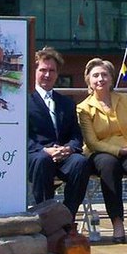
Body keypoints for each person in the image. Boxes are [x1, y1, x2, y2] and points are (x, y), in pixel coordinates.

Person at [77, 58, 127, 245]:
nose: (100, 79)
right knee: (108, 165)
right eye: (95, 75)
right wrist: (120, 151)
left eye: (104, 75)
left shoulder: (125, 99)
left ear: (111, 78)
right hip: (100, 152)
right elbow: (92, 142)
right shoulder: (83, 108)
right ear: (88, 80)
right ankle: (117, 222)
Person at [28, 47, 92, 220]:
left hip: (63, 156)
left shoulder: (66, 103)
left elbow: (76, 136)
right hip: (35, 155)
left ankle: (67, 217)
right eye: (43, 70)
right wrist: (45, 150)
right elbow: (21, 136)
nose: (47, 75)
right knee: (43, 160)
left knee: (80, 162)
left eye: (52, 71)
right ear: (34, 71)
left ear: (57, 74)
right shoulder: (25, 100)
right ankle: (45, 217)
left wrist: (69, 149)